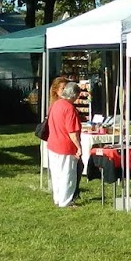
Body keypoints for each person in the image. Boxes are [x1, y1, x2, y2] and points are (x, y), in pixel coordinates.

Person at [45, 79, 83, 208]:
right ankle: (66, 201)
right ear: (75, 95)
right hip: (65, 146)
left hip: (52, 144)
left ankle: (58, 198)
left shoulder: (55, 105)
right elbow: (72, 132)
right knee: (68, 174)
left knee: (56, 174)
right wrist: (78, 147)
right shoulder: (70, 109)